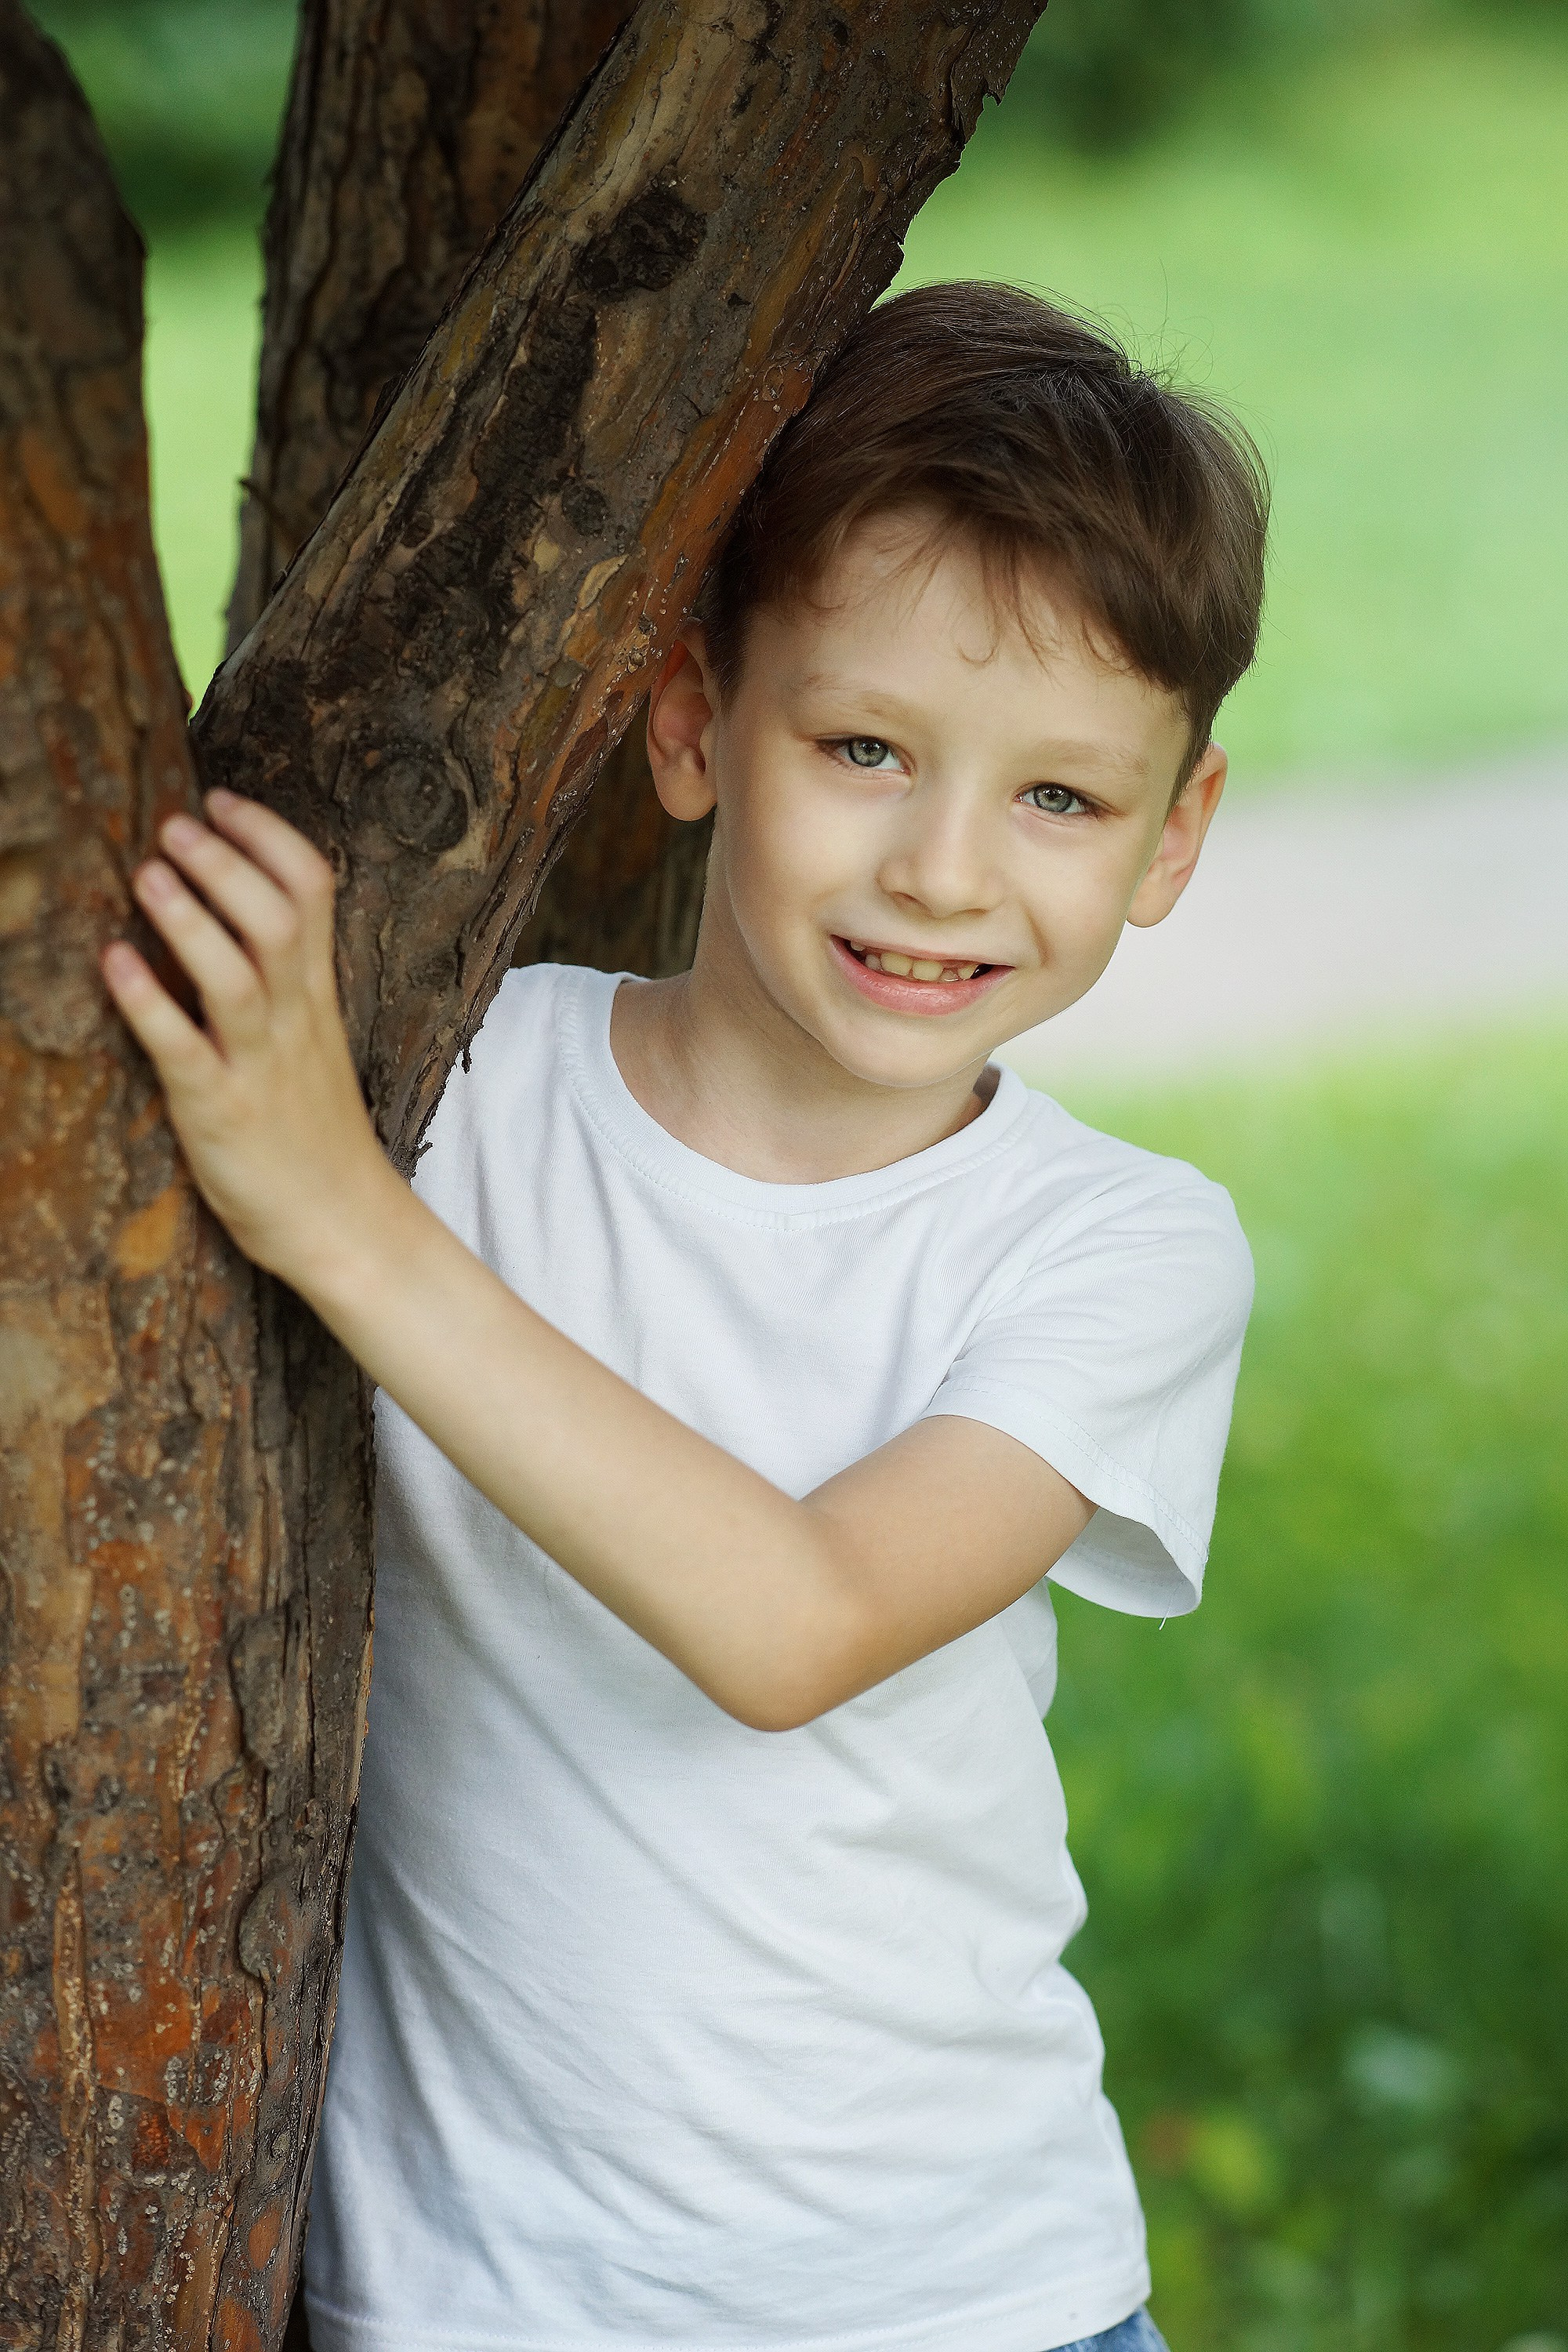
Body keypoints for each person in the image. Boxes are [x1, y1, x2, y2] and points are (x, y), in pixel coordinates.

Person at [103, 282, 1269, 2352]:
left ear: (1178, 835)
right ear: (687, 722)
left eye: (1061, 802)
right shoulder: (454, 1088)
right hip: (477, 2309)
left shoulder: (1114, 1248)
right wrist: (339, 1176)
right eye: (863, 748)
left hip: (960, 2302)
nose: (941, 871)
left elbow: (795, 1624)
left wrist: (337, 1221)